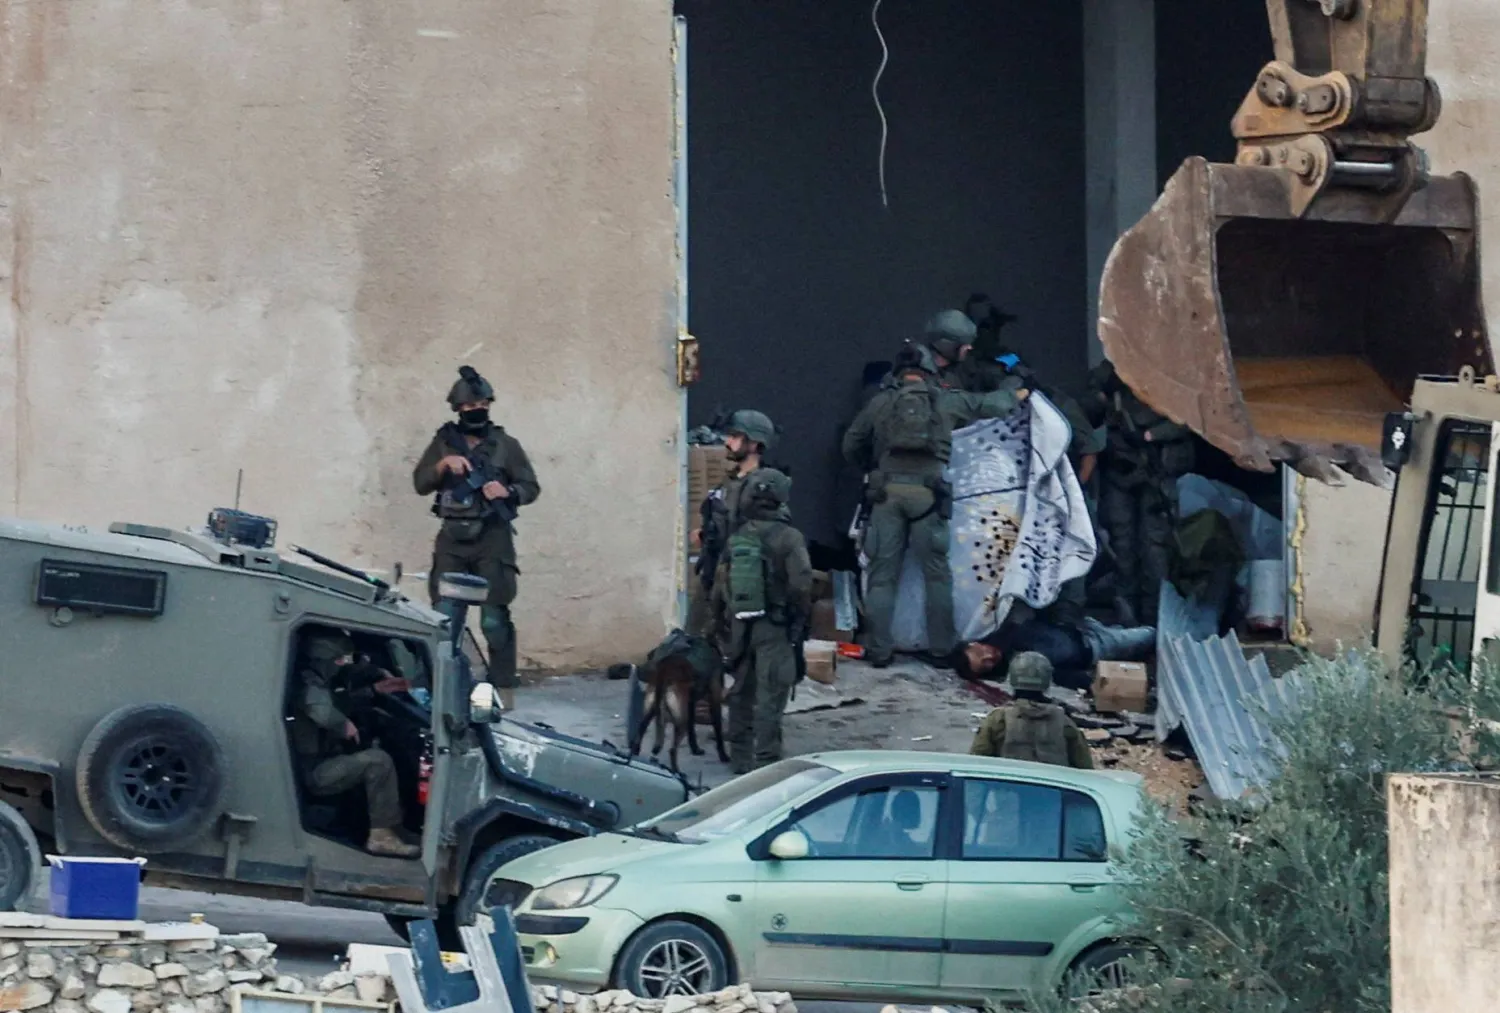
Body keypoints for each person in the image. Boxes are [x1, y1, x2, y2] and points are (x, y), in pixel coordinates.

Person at [842, 342, 1028, 668]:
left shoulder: (880, 403)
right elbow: (996, 406)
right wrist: (1013, 387)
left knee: (883, 576)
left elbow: (850, 446)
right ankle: (942, 650)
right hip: (929, 497)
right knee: (937, 576)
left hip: (886, 495)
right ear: (929, 372)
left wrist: (874, 469)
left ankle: (880, 651)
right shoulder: (947, 401)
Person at [412, 365, 541, 709]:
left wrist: (507, 490)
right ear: (457, 410)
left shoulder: (505, 445)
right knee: (445, 617)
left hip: (492, 538)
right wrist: (443, 466)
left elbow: (531, 487)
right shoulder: (443, 443)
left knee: (494, 620)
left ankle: (503, 689)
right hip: (452, 540)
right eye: (467, 408)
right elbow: (420, 483)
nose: (475, 411)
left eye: (480, 404)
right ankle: (442, 689)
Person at [710, 469, 812, 774]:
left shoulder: (739, 535)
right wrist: (798, 616)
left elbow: (718, 584)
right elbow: (802, 583)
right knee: (771, 694)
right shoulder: (789, 537)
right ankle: (766, 762)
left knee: (741, 691)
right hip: (775, 627)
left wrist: (720, 622)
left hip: (741, 626)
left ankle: (740, 758)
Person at [290, 631, 419, 857]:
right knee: (378, 762)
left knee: (378, 753)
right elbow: (319, 709)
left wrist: (375, 689)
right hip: (315, 772)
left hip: (326, 761)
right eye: (339, 660)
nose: (343, 665)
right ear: (323, 659)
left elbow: (343, 699)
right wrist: (343, 725)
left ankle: (393, 828)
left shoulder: (325, 682)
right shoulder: (308, 685)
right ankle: (381, 837)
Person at [1089, 361, 1195, 626]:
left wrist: (1152, 434)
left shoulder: (1174, 373)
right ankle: (1129, 621)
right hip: (1121, 470)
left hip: (1154, 472)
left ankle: (1154, 620)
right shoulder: (1116, 369)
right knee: (1122, 545)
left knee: (1155, 548)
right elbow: (1090, 398)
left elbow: (1191, 420)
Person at [688, 410, 778, 637]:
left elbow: (767, 535)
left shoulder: (763, 486)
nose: (728, 442)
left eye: (735, 437)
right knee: (694, 638)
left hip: (739, 578)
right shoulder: (730, 481)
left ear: (754, 443)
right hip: (713, 569)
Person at [953, 608, 1155, 689]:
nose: (989, 657)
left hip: (1078, 623)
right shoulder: (1020, 669)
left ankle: (1126, 621)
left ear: (974, 643)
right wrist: (1090, 684)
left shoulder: (997, 627)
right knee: (1149, 635)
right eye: (986, 666)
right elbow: (1058, 675)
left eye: (981, 653)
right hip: (1094, 646)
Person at [970, 652, 1094, 769]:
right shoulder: (1064, 723)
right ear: (1047, 681)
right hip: (1051, 790)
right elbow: (1084, 768)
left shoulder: (997, 720)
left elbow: (977, 764)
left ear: (1013, 679)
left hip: (1008, 790)